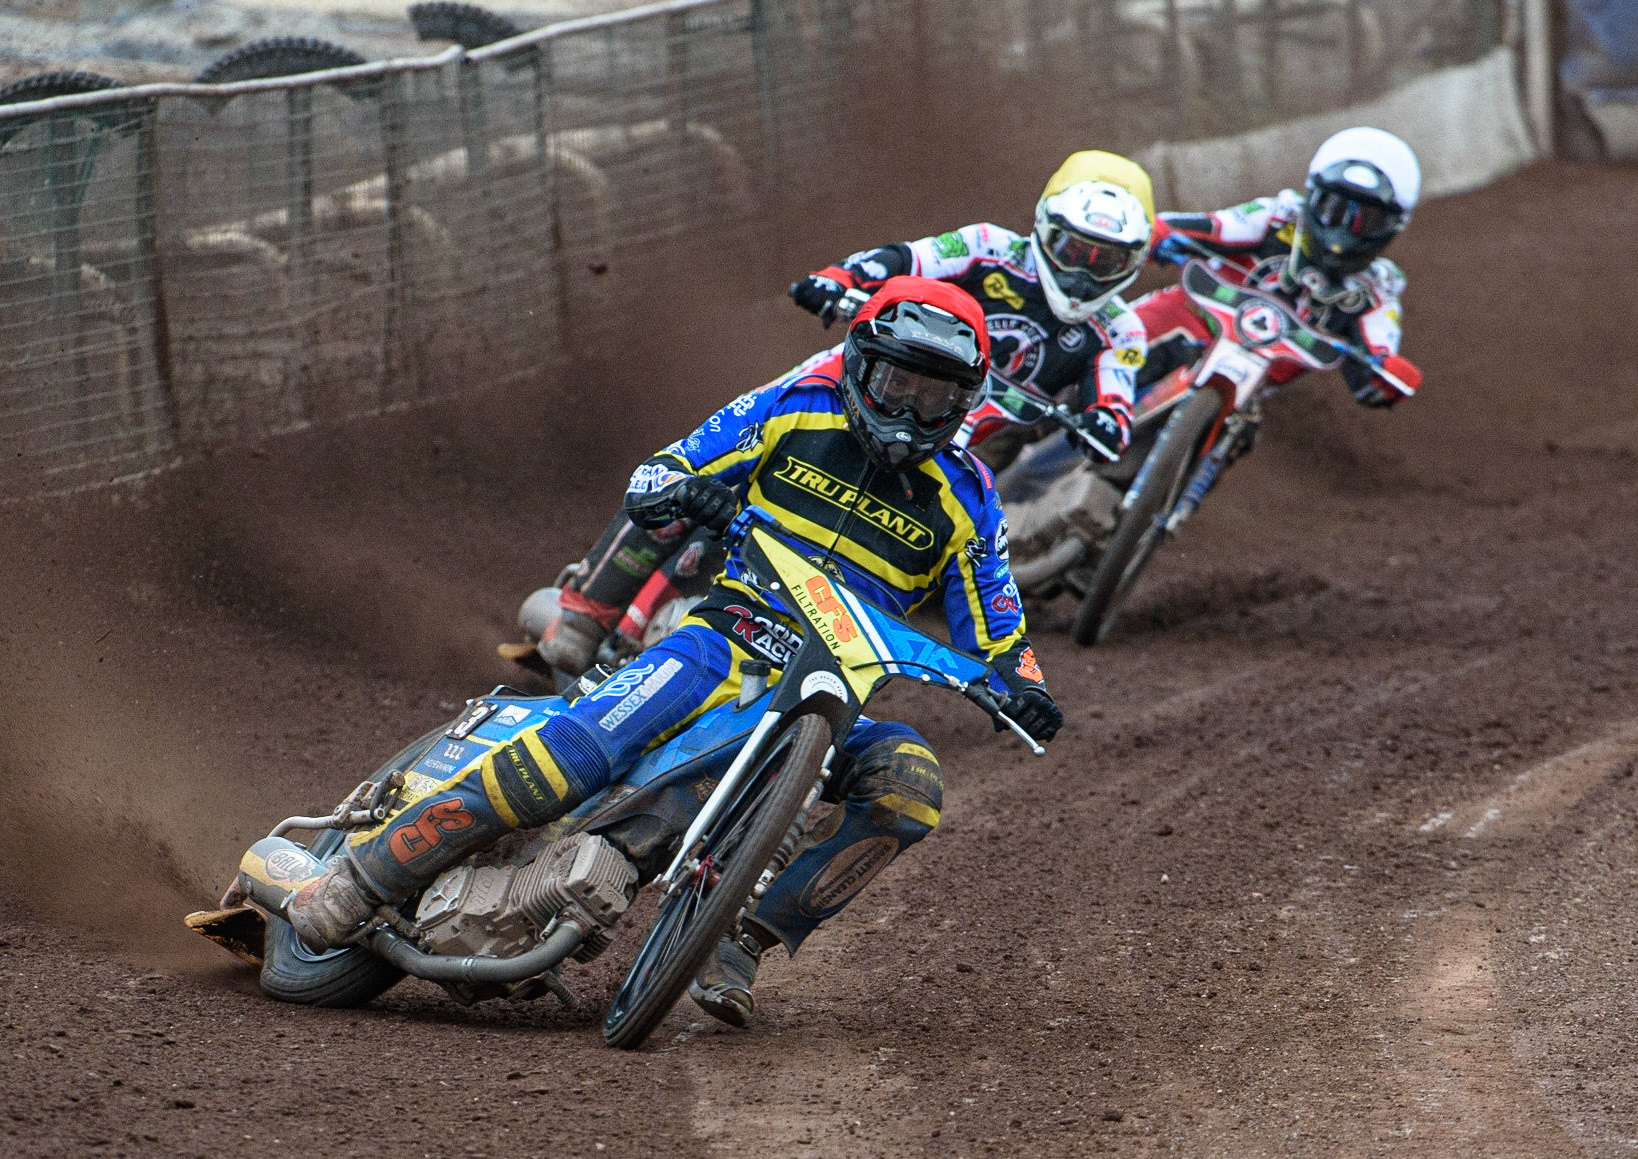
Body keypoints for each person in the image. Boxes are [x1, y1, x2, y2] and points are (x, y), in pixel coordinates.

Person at [286, 277, 1064, 1028]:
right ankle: (365, 875)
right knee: (577, 753)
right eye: (897, 384)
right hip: (722, 643)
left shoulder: (968, 495)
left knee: (912, 786)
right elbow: (667, 464)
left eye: (934, 396)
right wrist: (677, 490)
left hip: (832, 697)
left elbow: (1001, 623)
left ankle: (741, 938)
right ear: (862, 365)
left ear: (965, 402)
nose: (909, 410)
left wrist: (1022, 685)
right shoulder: (796, 408)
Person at [539, 150, 1156, 676]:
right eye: (1074, 249)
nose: (1083, 271)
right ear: (1044, 228)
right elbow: (906, 259)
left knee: (922, 541)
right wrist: (840, 278)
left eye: (1105, 259)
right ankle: (588, 604)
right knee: (718, 455)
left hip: (957, 441)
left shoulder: (1120, 328)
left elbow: (1116, 394)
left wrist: (1107, 420)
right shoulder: (987, 246)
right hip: (854, 383)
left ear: (1134, 260)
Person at [1135, 126, 1424, 407]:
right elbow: (1215, 226)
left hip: (1246, 389)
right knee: (1118, 338)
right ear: (1312, 195)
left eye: (1367, 221)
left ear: (1391, 227)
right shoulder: (1277, 218)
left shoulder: (1377, 289)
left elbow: (1380, 358)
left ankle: (1201, 451)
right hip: (1191, 319)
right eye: (1332, 209)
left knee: (1244, 430)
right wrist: (1157, 233)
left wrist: (1388, 375)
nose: (1343, 232)